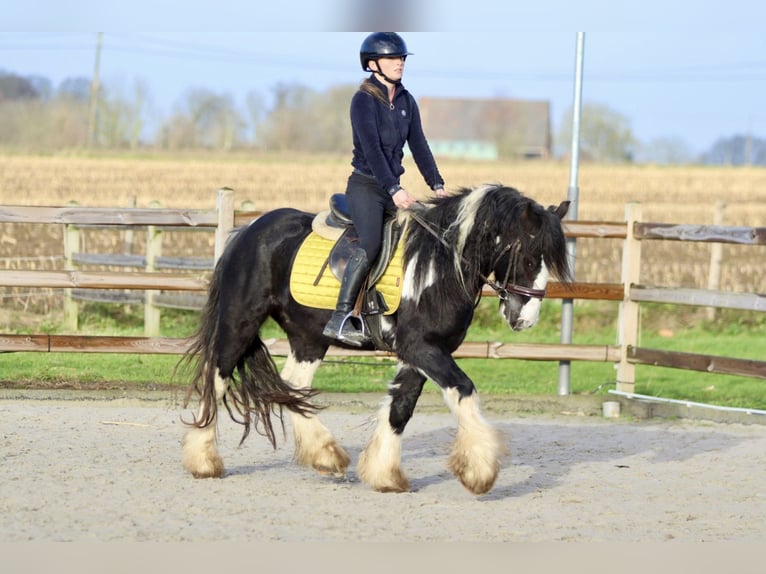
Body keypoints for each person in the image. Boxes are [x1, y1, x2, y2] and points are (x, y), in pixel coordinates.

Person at [322, 32, 448, 346]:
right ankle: (340, 317)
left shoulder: (406, 101)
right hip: (367, 186)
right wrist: (393, 189)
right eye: (393, 58)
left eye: (402, 58)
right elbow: (373, 151)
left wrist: (438, 185)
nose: (400, 63)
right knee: (372, 243)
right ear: (373, 63)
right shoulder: (363, 100)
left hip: (392, 187)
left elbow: (419, 146)